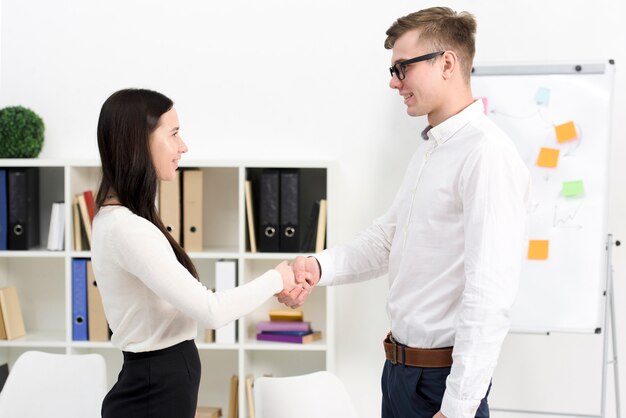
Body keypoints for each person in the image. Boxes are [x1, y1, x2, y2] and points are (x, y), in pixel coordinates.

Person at [278, 7, 531, 418]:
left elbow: (489, 293)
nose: (394, 82)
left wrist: (459, 407)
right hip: (399, 375)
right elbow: (387, 239)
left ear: (447, 63)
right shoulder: (432, 149)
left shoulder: (486, 155)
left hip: (441, 386)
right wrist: (316, 267)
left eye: (402, 68)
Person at [91, 88, 298, 418]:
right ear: (137, 142)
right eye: (173, 134)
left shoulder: (125, 221)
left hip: (157, 384)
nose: (183, 146)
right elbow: (211, 310)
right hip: (152, 390)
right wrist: (279, 277)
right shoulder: (126, 229)